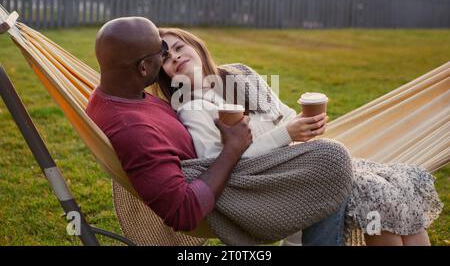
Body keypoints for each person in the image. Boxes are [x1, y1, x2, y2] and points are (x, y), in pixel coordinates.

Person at [156, 27, 443, 246]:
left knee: (396, 186)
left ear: (196, 45)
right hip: (275, 185)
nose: (176, 56)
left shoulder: (239, 75)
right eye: (166, 58)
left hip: (303, 163)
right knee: (377, 194)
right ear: (166, 76)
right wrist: (284, 135)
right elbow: (215, 165)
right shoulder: (193, 108)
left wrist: (305, 125)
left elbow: (284, 115)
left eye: (180, 47)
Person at [86, 17, 351, 245]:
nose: (171, 55)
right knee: (332, 159)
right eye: (162, 51)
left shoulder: (127, 95)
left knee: (357, 180)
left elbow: (279, 113)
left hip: (249, 166)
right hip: (235, 189)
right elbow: (183, 212)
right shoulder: (133, 128)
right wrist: (235, 146)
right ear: (144, 68)